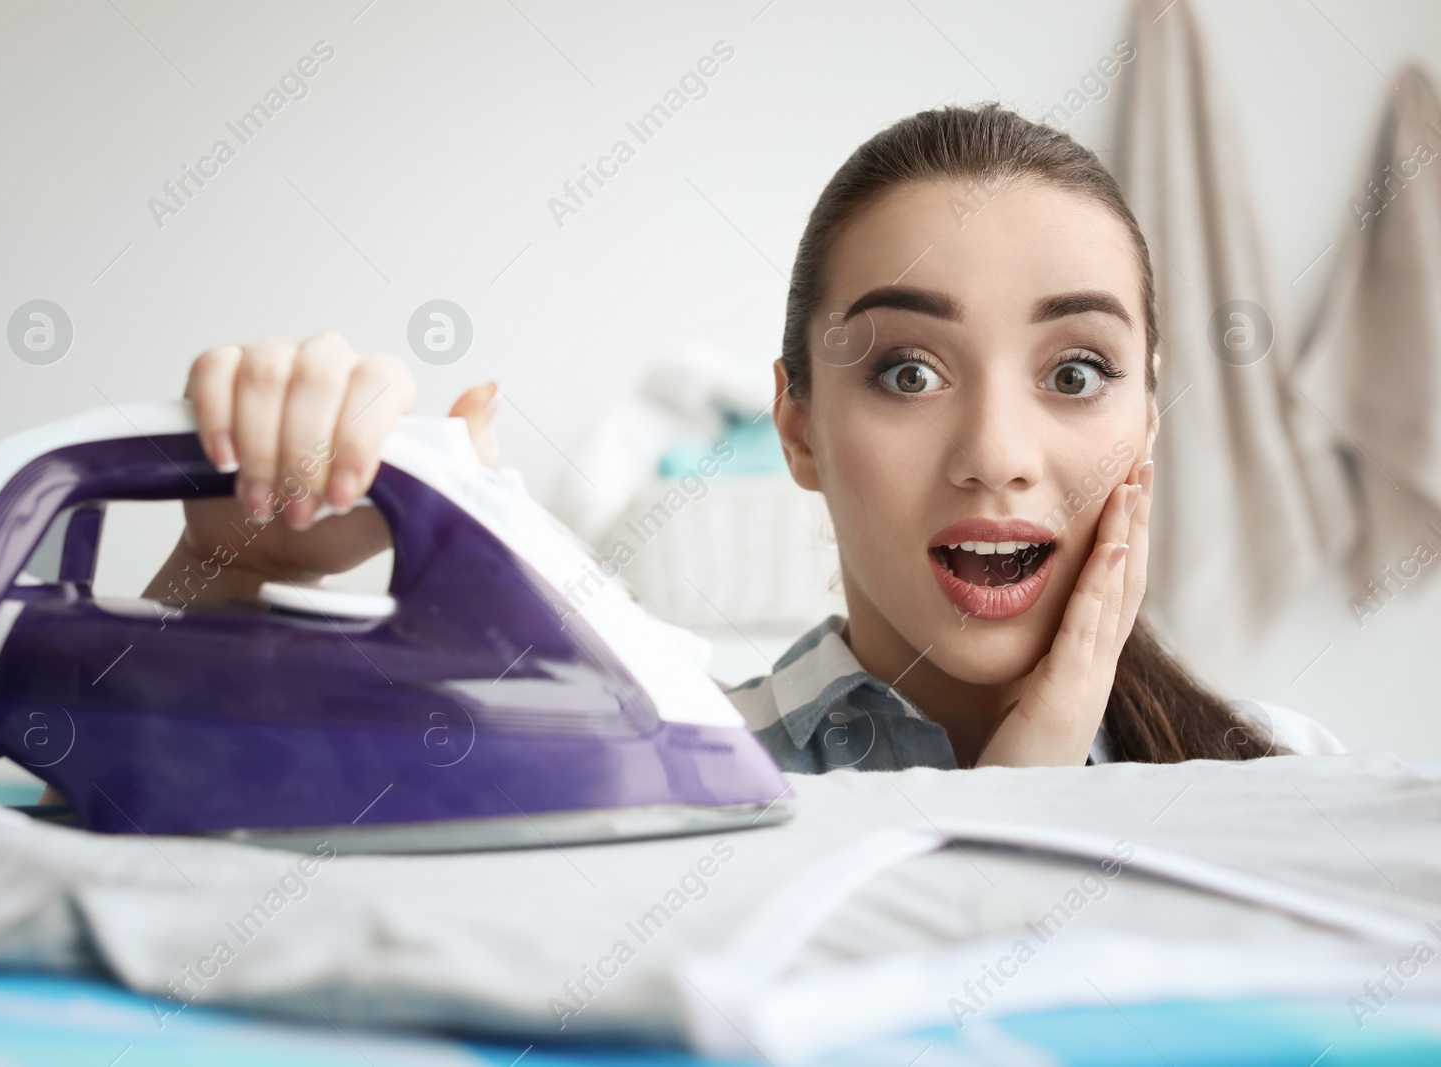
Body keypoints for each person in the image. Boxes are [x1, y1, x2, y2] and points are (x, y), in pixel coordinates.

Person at [151, 104, 1342, 772]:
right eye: (907, 369)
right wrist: (235, 566)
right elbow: (169, 798)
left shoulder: (1285, 779)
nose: (996, 453)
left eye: (1075, 371)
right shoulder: (657, 752)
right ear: (799, 428)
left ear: (1148, 418)